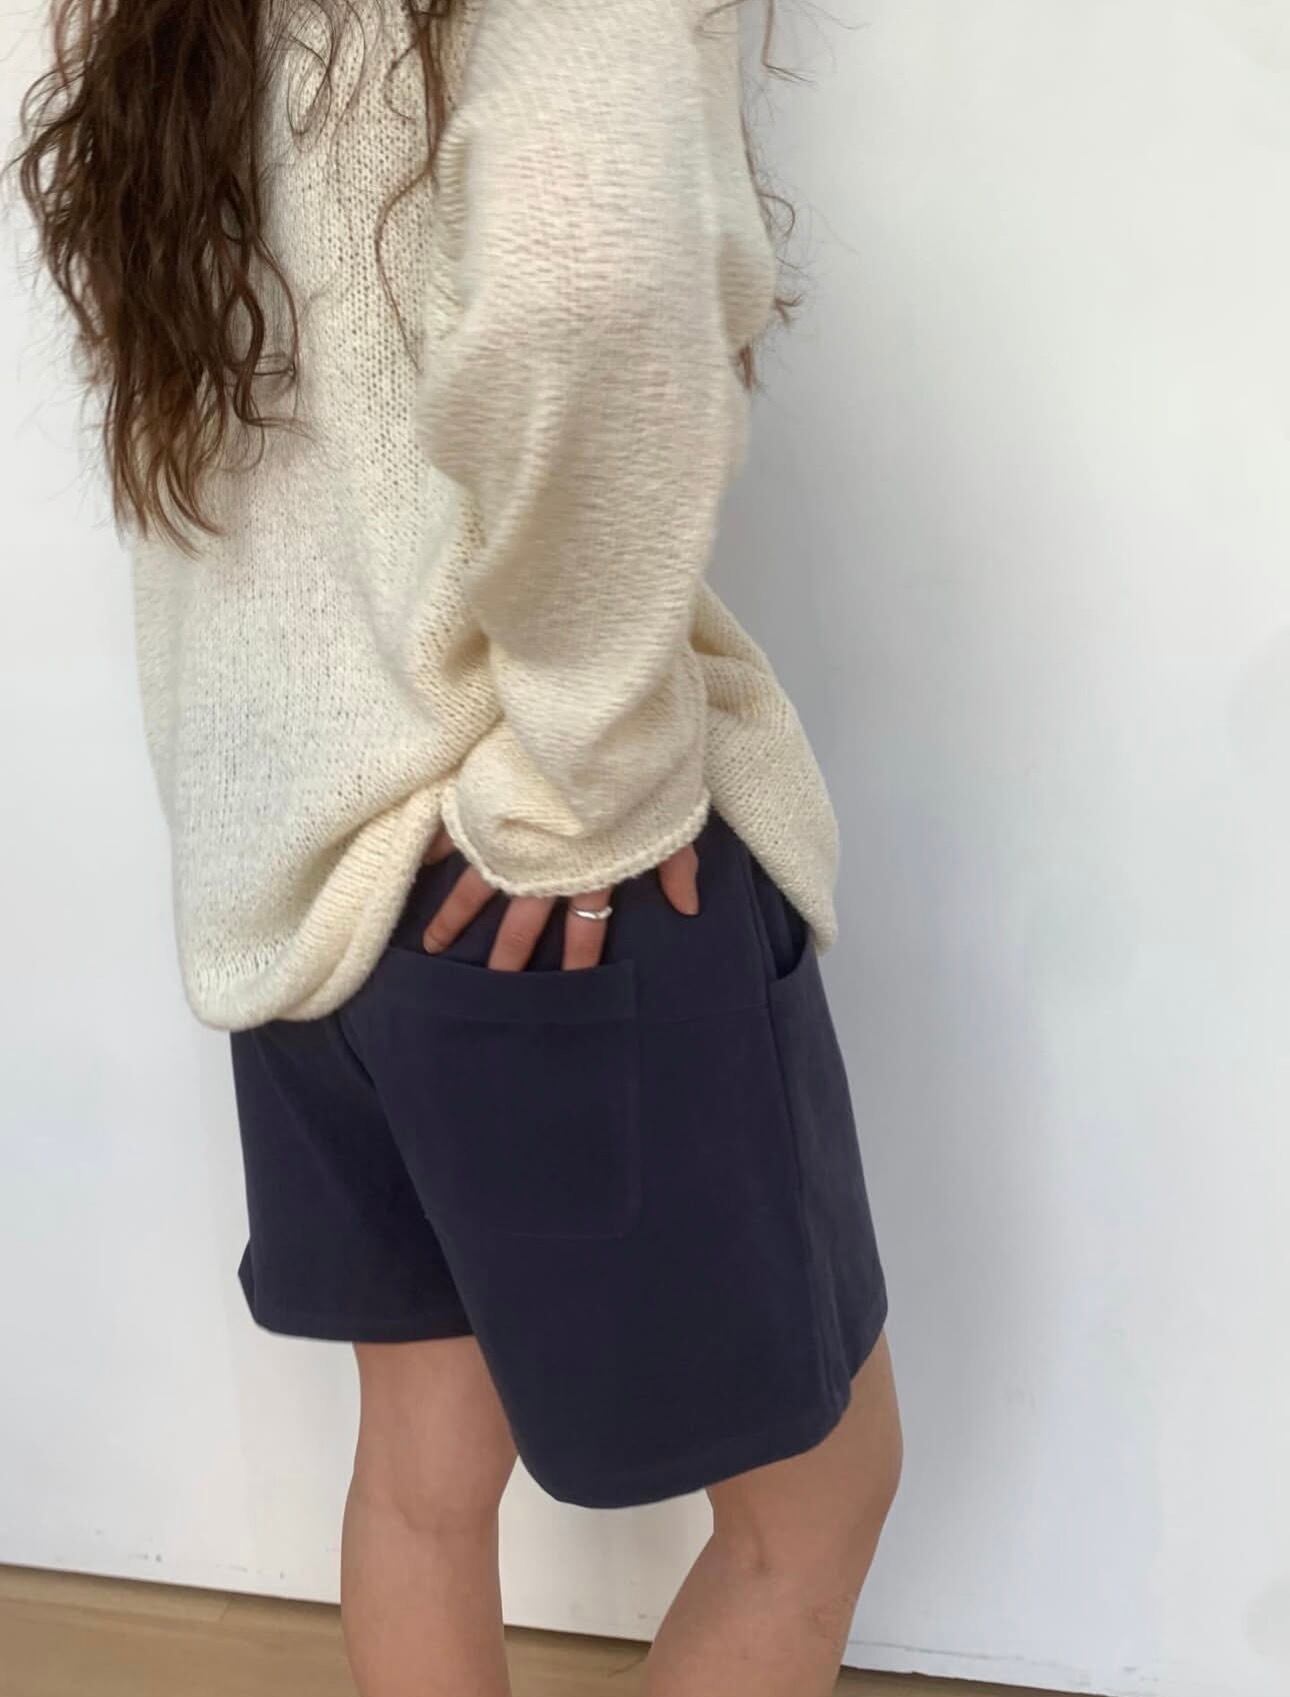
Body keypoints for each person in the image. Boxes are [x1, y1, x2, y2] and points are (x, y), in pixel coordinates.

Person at [15, 0, 903, 1692]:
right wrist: (590, 788)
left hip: (311, 891)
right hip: (540, 888)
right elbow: (587, 283)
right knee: (814, 1505)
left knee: (423, 1485)